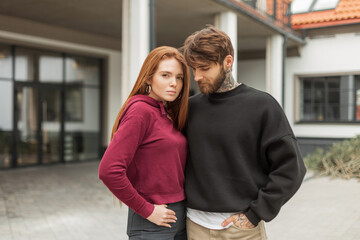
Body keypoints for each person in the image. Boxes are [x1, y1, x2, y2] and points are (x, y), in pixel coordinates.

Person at [181, 26, 306, 240]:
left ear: (227, 62)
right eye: (193, 69)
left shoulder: (262, 106)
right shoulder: (189, 108)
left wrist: (256, 214)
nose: (197, 76)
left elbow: (291, 169)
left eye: (204, 68)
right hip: (194, 227)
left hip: (241, 231)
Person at [98, 46, 190, 240]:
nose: (174, 83)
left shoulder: (167, 113)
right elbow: (109, 170)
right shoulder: (140, 111)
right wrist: (146, 210)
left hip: (179, 217)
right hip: (152, 223)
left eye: (179, 77)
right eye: (165, 75)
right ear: (149, 78)